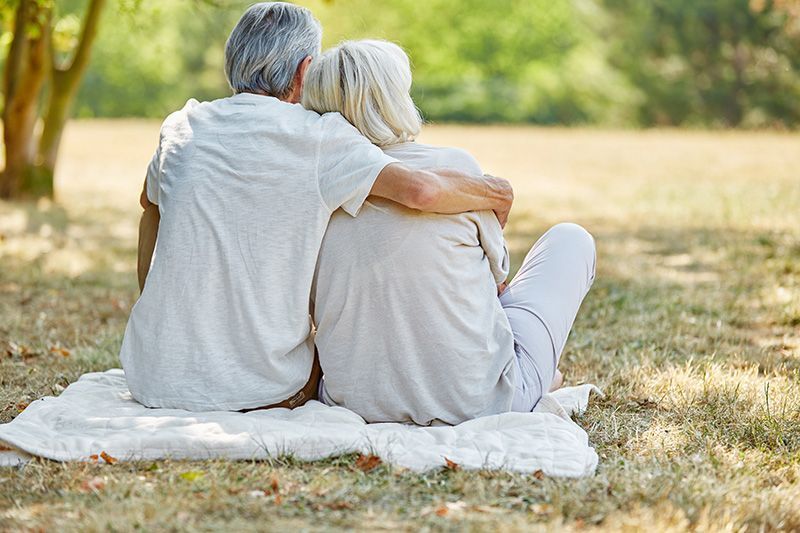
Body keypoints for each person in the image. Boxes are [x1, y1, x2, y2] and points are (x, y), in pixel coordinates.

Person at [122, 3, 513, 412]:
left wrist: (158, 302)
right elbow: (421, 192)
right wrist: (495, 192)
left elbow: (150, 207)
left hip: (151, 375)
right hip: (260, 391)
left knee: (158, 209)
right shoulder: (319, 136)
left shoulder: (182, 126)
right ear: (306, 70)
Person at [303, 40, 596, 425]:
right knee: (571, 240)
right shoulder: (451, 167)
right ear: (395, 99)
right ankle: (534, 377)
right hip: (479, 406)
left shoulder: (310, 187)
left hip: (355, 402)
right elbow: (496, 287)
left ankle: (533, 373)